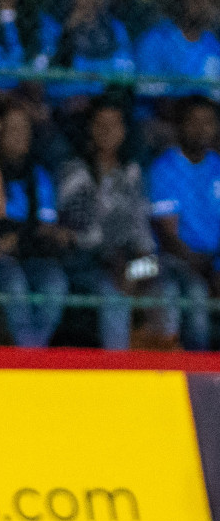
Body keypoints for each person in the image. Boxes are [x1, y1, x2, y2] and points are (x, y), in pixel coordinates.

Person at [58, 98, 205, 350]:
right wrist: (117, 263)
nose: (108, 131)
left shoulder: (133, 172)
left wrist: (138, 260)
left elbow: (142, 230)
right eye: (100, 124)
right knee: (114, 293)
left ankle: (167, 365)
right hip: (88, 263)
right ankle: (117, 368)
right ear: (90, 129)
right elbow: (82, 234)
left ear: (124, 131)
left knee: (165, 286)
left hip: (130, 262)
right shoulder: (74, 172)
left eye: (115, 125)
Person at [0, 99, 76, 348]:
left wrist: (18, 239)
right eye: (13, 129)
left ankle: (33, 353)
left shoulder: (37, 175)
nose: (20, 136)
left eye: (25, 130)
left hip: (27, 253)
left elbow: (45, 228)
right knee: (14, 282)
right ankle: (24, 354)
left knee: (54, 282)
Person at [150, 96, 220, 342]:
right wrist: (205, 269)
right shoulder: (164, 168)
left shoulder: (217, 167)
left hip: (213, 261)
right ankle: (197, 372)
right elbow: (168, 236)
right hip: (173, 261)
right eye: (193, 122)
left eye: (208, 122)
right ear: (179, 126)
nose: (201, 129)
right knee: (195, 293)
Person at [135, 0, 220, 103]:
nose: (204, 7)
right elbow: (152, 94)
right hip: (160, 118)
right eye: (198, 0)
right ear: (181, 0)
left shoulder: (212, 44)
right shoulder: (156, 40)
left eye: (210, 1)